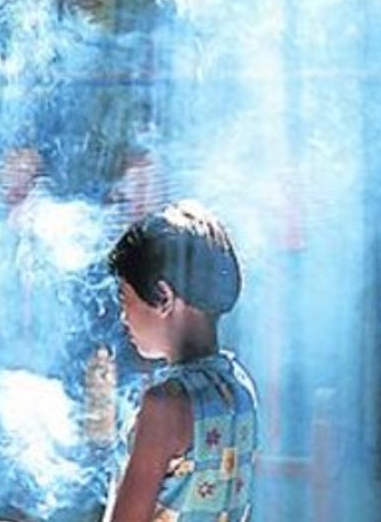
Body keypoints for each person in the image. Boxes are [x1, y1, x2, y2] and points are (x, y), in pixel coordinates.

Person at [104, 200, 257, 522]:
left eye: (124, 298)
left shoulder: (165, 404)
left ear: (163, 297)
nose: (124, 318)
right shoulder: (238, 386)